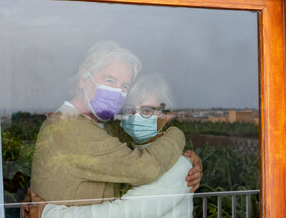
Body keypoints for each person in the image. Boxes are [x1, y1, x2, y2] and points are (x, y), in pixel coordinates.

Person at [24, 41, 202, 217]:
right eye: (110, 80)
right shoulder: (68, 127)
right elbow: (145, 167)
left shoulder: (101, 127)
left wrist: (188, 160)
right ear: (83, 79)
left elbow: (140, 144)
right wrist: (175, 136)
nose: (117, 92)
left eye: (124, 86)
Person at [41, 73, 194, 218]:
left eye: (147, 110)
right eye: (130, 110)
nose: (136, 116)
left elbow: (123, 212)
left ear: (166, 116)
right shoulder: (126, 155)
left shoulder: (178, 166)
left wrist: (48, 212)